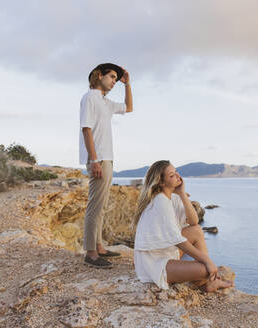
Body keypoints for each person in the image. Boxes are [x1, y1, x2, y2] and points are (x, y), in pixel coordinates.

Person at [133, 160, 234, 291]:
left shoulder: (172, 197)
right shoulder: (160, 202)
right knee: (205, 269)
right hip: (154, 263)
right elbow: (178, 241)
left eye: (176, 172)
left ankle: (208, 281)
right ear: (161, 182)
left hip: (165, 251)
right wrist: (207, 261)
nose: (177, 176)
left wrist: (182, 194)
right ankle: (207, 281)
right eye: (171, 175)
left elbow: (194, 222)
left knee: (196, 230)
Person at [80, 63, 133, 268]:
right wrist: (94, 160)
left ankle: (99, 246)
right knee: (95, 206)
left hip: (107, 157)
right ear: (99, 75)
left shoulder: (104, 101)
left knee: (101, 206)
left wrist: (127, 85)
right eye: (111, 77)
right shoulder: (90, 97)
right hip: (99, 158)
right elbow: (86, 129)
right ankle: (91, 253)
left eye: (115, 78)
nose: (113, 81)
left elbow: (128, 108)